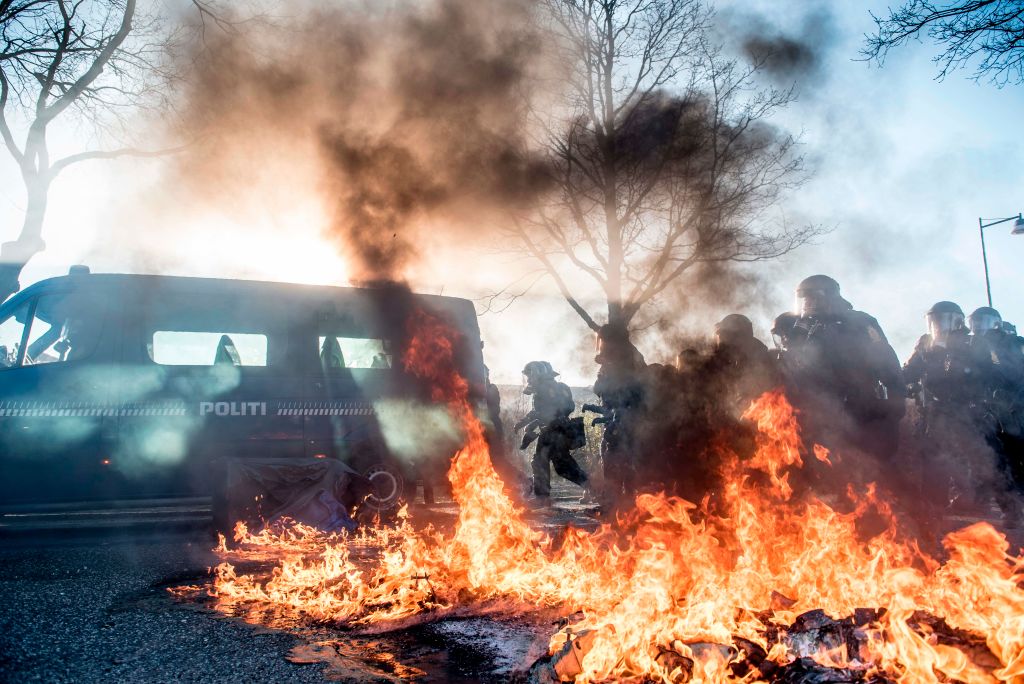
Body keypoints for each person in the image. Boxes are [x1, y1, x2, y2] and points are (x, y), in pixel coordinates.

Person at [774, 275, 905, 495]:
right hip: (817, 410)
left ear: (830, 298)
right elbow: (792, 369)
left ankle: (884, 509)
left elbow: (886, 360)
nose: (809, 304)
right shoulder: (800, 329)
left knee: (870, 467)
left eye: (814, 298)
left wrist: (896, 398)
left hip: (860, 408)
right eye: (804, 299)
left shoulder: (859, 323)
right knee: (818, 467)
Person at [515, 361, 591, 502]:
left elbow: (546, 413)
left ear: (537, 374)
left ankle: (542, 496)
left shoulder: (544, 389)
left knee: (543, 462)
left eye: (530, 375)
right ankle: (592, 487)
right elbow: (539, 412)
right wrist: (524, 423)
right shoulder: (554, 388)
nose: (529, 379)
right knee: (562, 465)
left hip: (553, 431)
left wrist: (529, 425)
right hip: (556, 431)